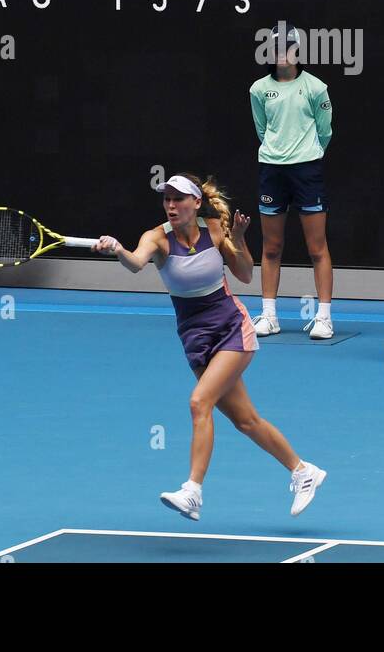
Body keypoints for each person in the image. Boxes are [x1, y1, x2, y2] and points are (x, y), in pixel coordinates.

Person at [95, 173, 326, 521]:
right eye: (167, 200)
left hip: (232, 329)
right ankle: (302, 470)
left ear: (196, 203)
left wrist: (241, 238)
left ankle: (193, 491)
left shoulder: (216, 230)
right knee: (246, 421)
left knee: (199, 401)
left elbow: (245, 274)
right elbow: (135, 263)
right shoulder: (156, 238)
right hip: (195, 339)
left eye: (179, 199)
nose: (171, 205)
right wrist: (117, 250)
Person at [248, 23, 335, 340]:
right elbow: (262, 129)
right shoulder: (259, 90)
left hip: (306, 171)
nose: (281, 51)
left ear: (298, 50)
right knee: (271, 248)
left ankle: (324, 318)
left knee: (316, 248)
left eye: (288, 45)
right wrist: (279, 153)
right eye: (276, 46)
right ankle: (269, 316)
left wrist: (305, 155)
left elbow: (325, 132)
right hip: (272, 171)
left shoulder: (315, 88)